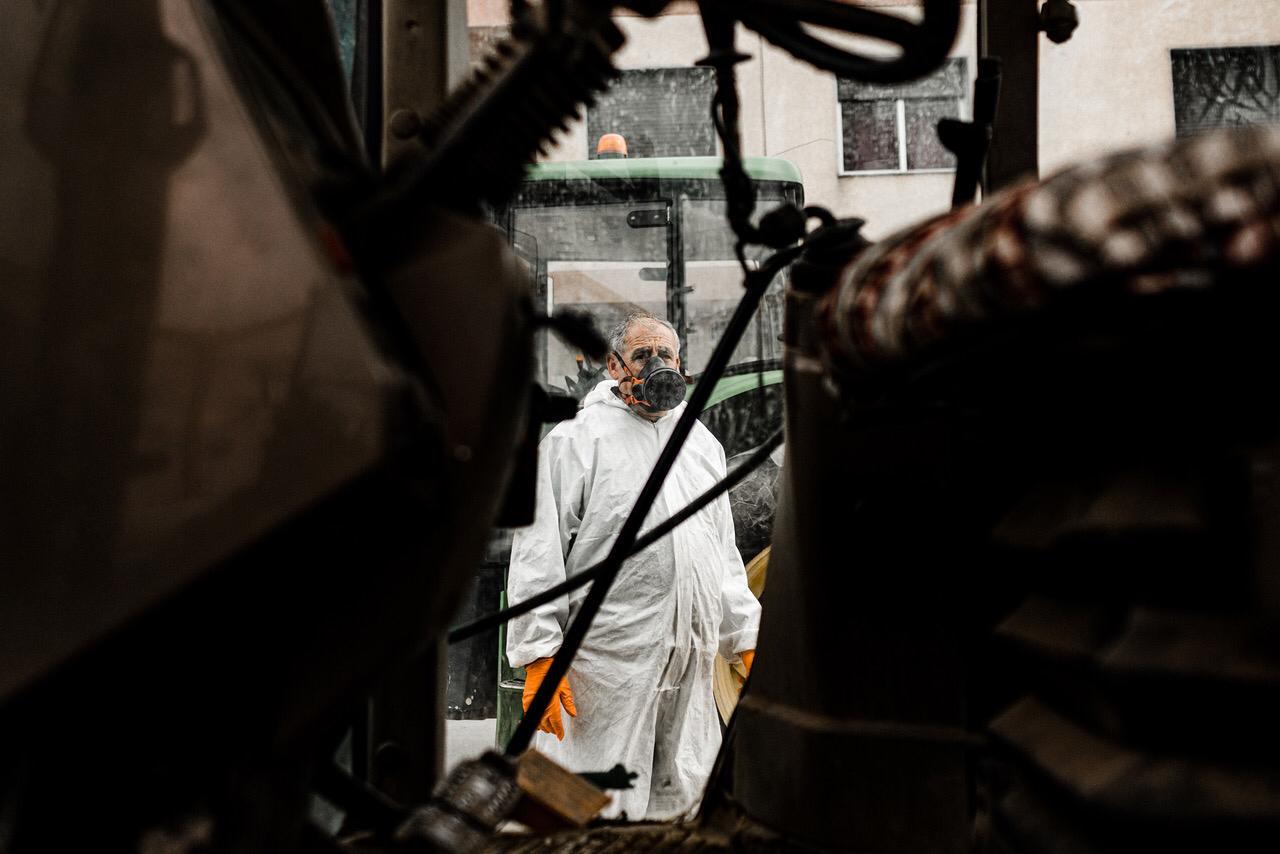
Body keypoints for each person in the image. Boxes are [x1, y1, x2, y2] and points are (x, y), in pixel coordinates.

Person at [505, 311, 760, 820]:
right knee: (591, 799)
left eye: (666, 355)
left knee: (680, 796)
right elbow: (538, 552)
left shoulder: (700, 444)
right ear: (614, 366)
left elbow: (722, 553)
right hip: (606, 668)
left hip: (689, 659)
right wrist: (539, 653)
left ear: (682, 363)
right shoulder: (576, 441)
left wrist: (746, 638)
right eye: (643, 355)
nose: (657, 365)